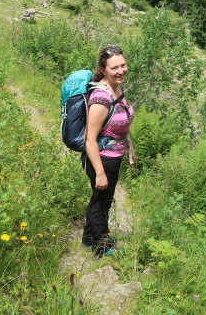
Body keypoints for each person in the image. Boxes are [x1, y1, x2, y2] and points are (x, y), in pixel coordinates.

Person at [81, 45, 134, 258]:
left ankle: (89, 238)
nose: (121, 70)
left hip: (114, 155)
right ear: (103, 70)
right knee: (101, 201)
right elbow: (89, 140)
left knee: (102, 199)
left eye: (123, 65)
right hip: (102, 159)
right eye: (114, 67)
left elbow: (120, 121)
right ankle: (101, 248)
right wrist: (100, 172)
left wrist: (129, 145)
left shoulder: (117, 89)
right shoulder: (100, 98)